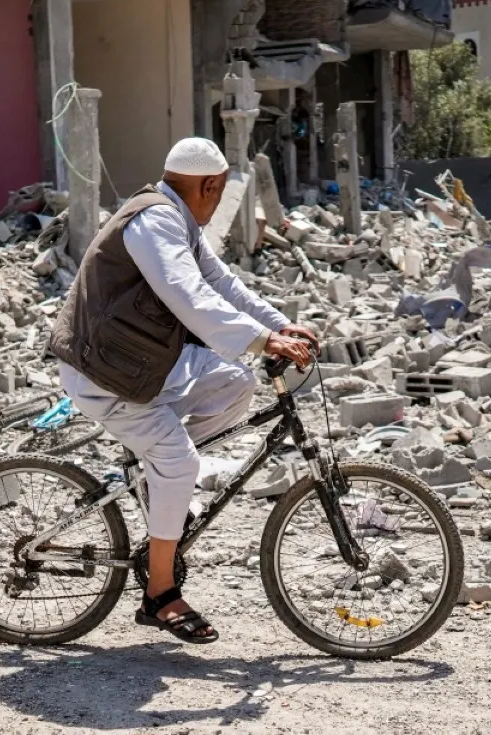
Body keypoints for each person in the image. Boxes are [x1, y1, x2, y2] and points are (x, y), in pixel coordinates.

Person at [49, 137, 317, 645]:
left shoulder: (177, 219)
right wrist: (263, 341)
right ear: (211, 185)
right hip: (104, 373)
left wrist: (282, 326)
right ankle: (160, 593)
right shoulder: (154, 222)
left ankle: (157, 482)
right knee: (180, 462)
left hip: (137, 363)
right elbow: (189, 296)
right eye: (218, 194)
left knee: (235, 382)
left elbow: (222, 284)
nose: (216, 203)